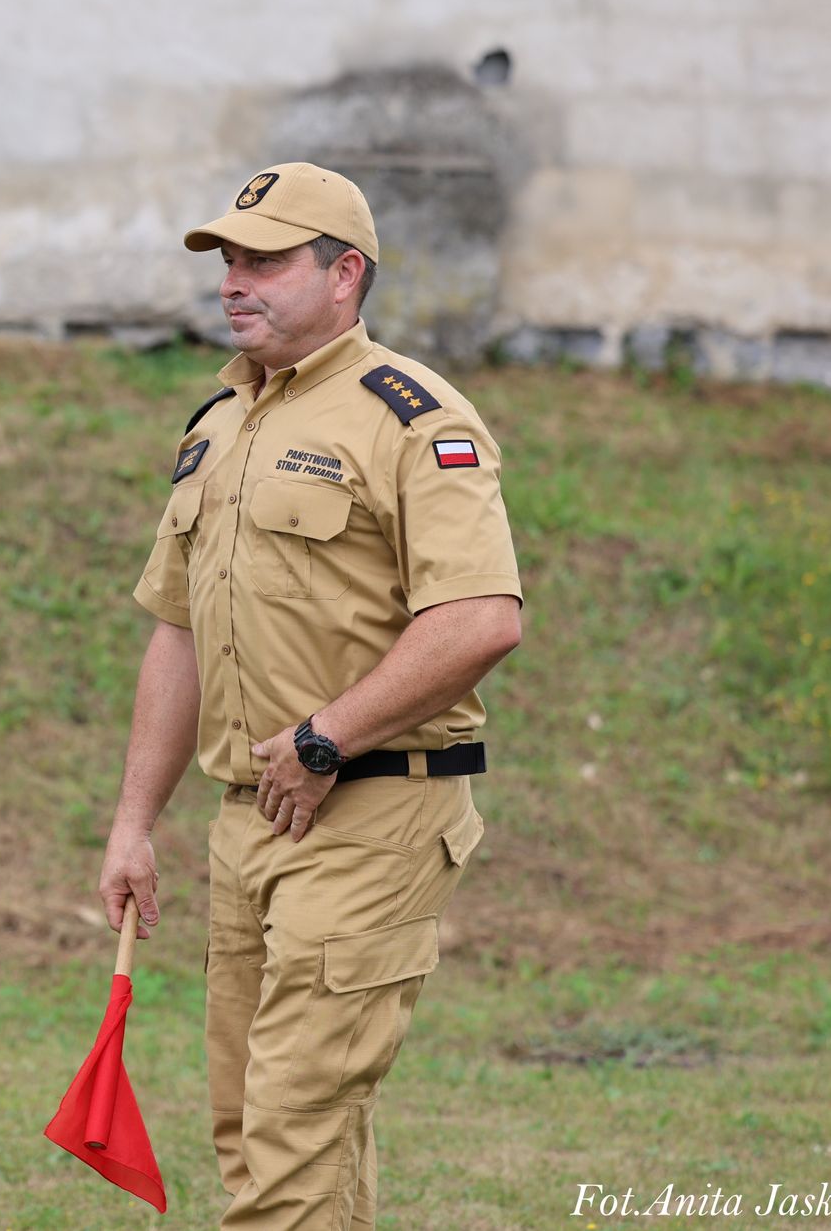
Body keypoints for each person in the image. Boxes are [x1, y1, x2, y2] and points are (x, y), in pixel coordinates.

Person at [97, 163, 523, 1229]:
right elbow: (177, 631)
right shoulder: (217, 424)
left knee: (290, 1127)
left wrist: (324, 738)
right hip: (249, 824)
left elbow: (478, 619)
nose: (235, 281)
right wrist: (132, 821)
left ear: (343, 275)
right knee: (258, 1124)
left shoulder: (412, 416)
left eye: (265, 260)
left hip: (371, 812)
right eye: (228, 260)